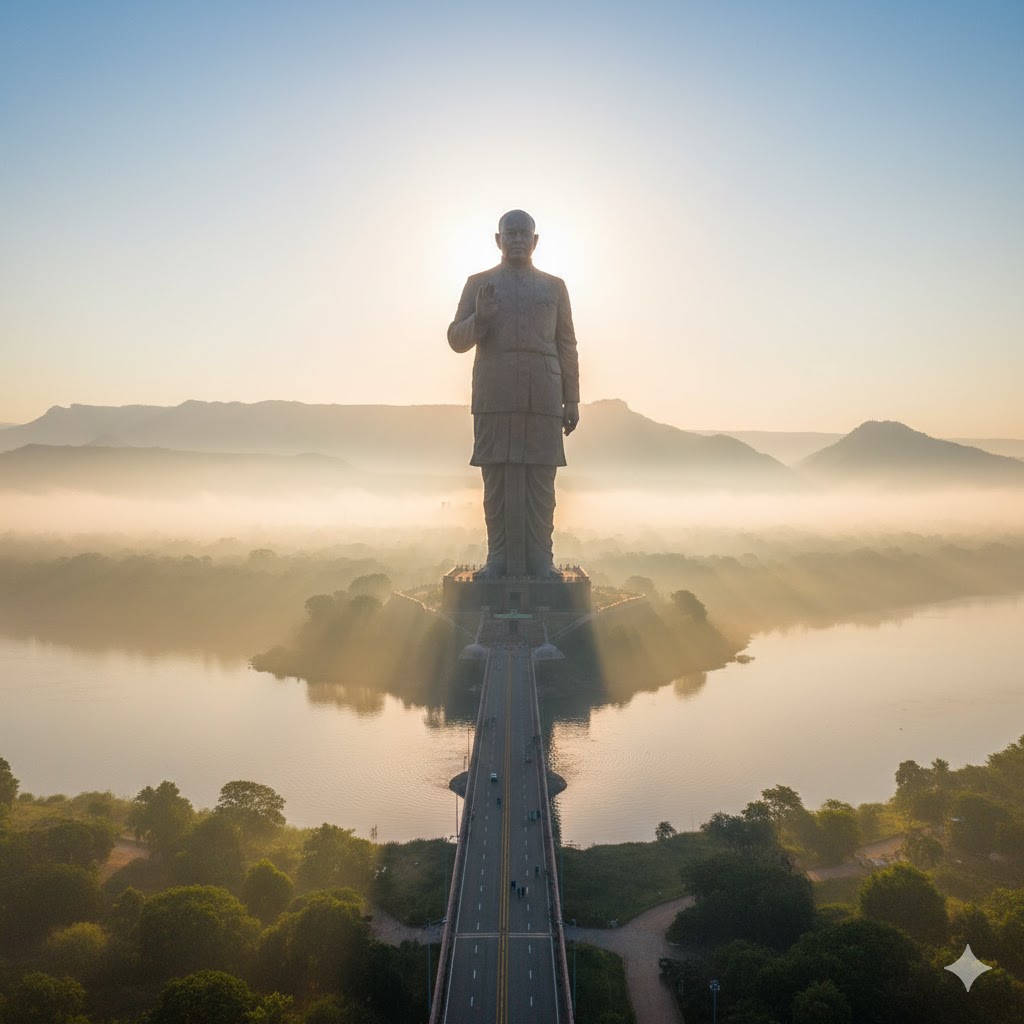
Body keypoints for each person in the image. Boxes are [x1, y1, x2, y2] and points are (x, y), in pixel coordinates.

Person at [448, 210, 580, 578]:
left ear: (535, 241)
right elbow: (456, 339)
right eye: (511, 233)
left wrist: (572, 398)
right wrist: (482, 319)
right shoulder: (479, 284)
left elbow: (566, 342)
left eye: (525, 233)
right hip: (495, 393)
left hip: (545, 394)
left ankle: (542, 558)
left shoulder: (554, 287)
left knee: (541, 478)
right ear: (498, 239)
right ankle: (498, 557)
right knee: (497, 479)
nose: (518, 239)